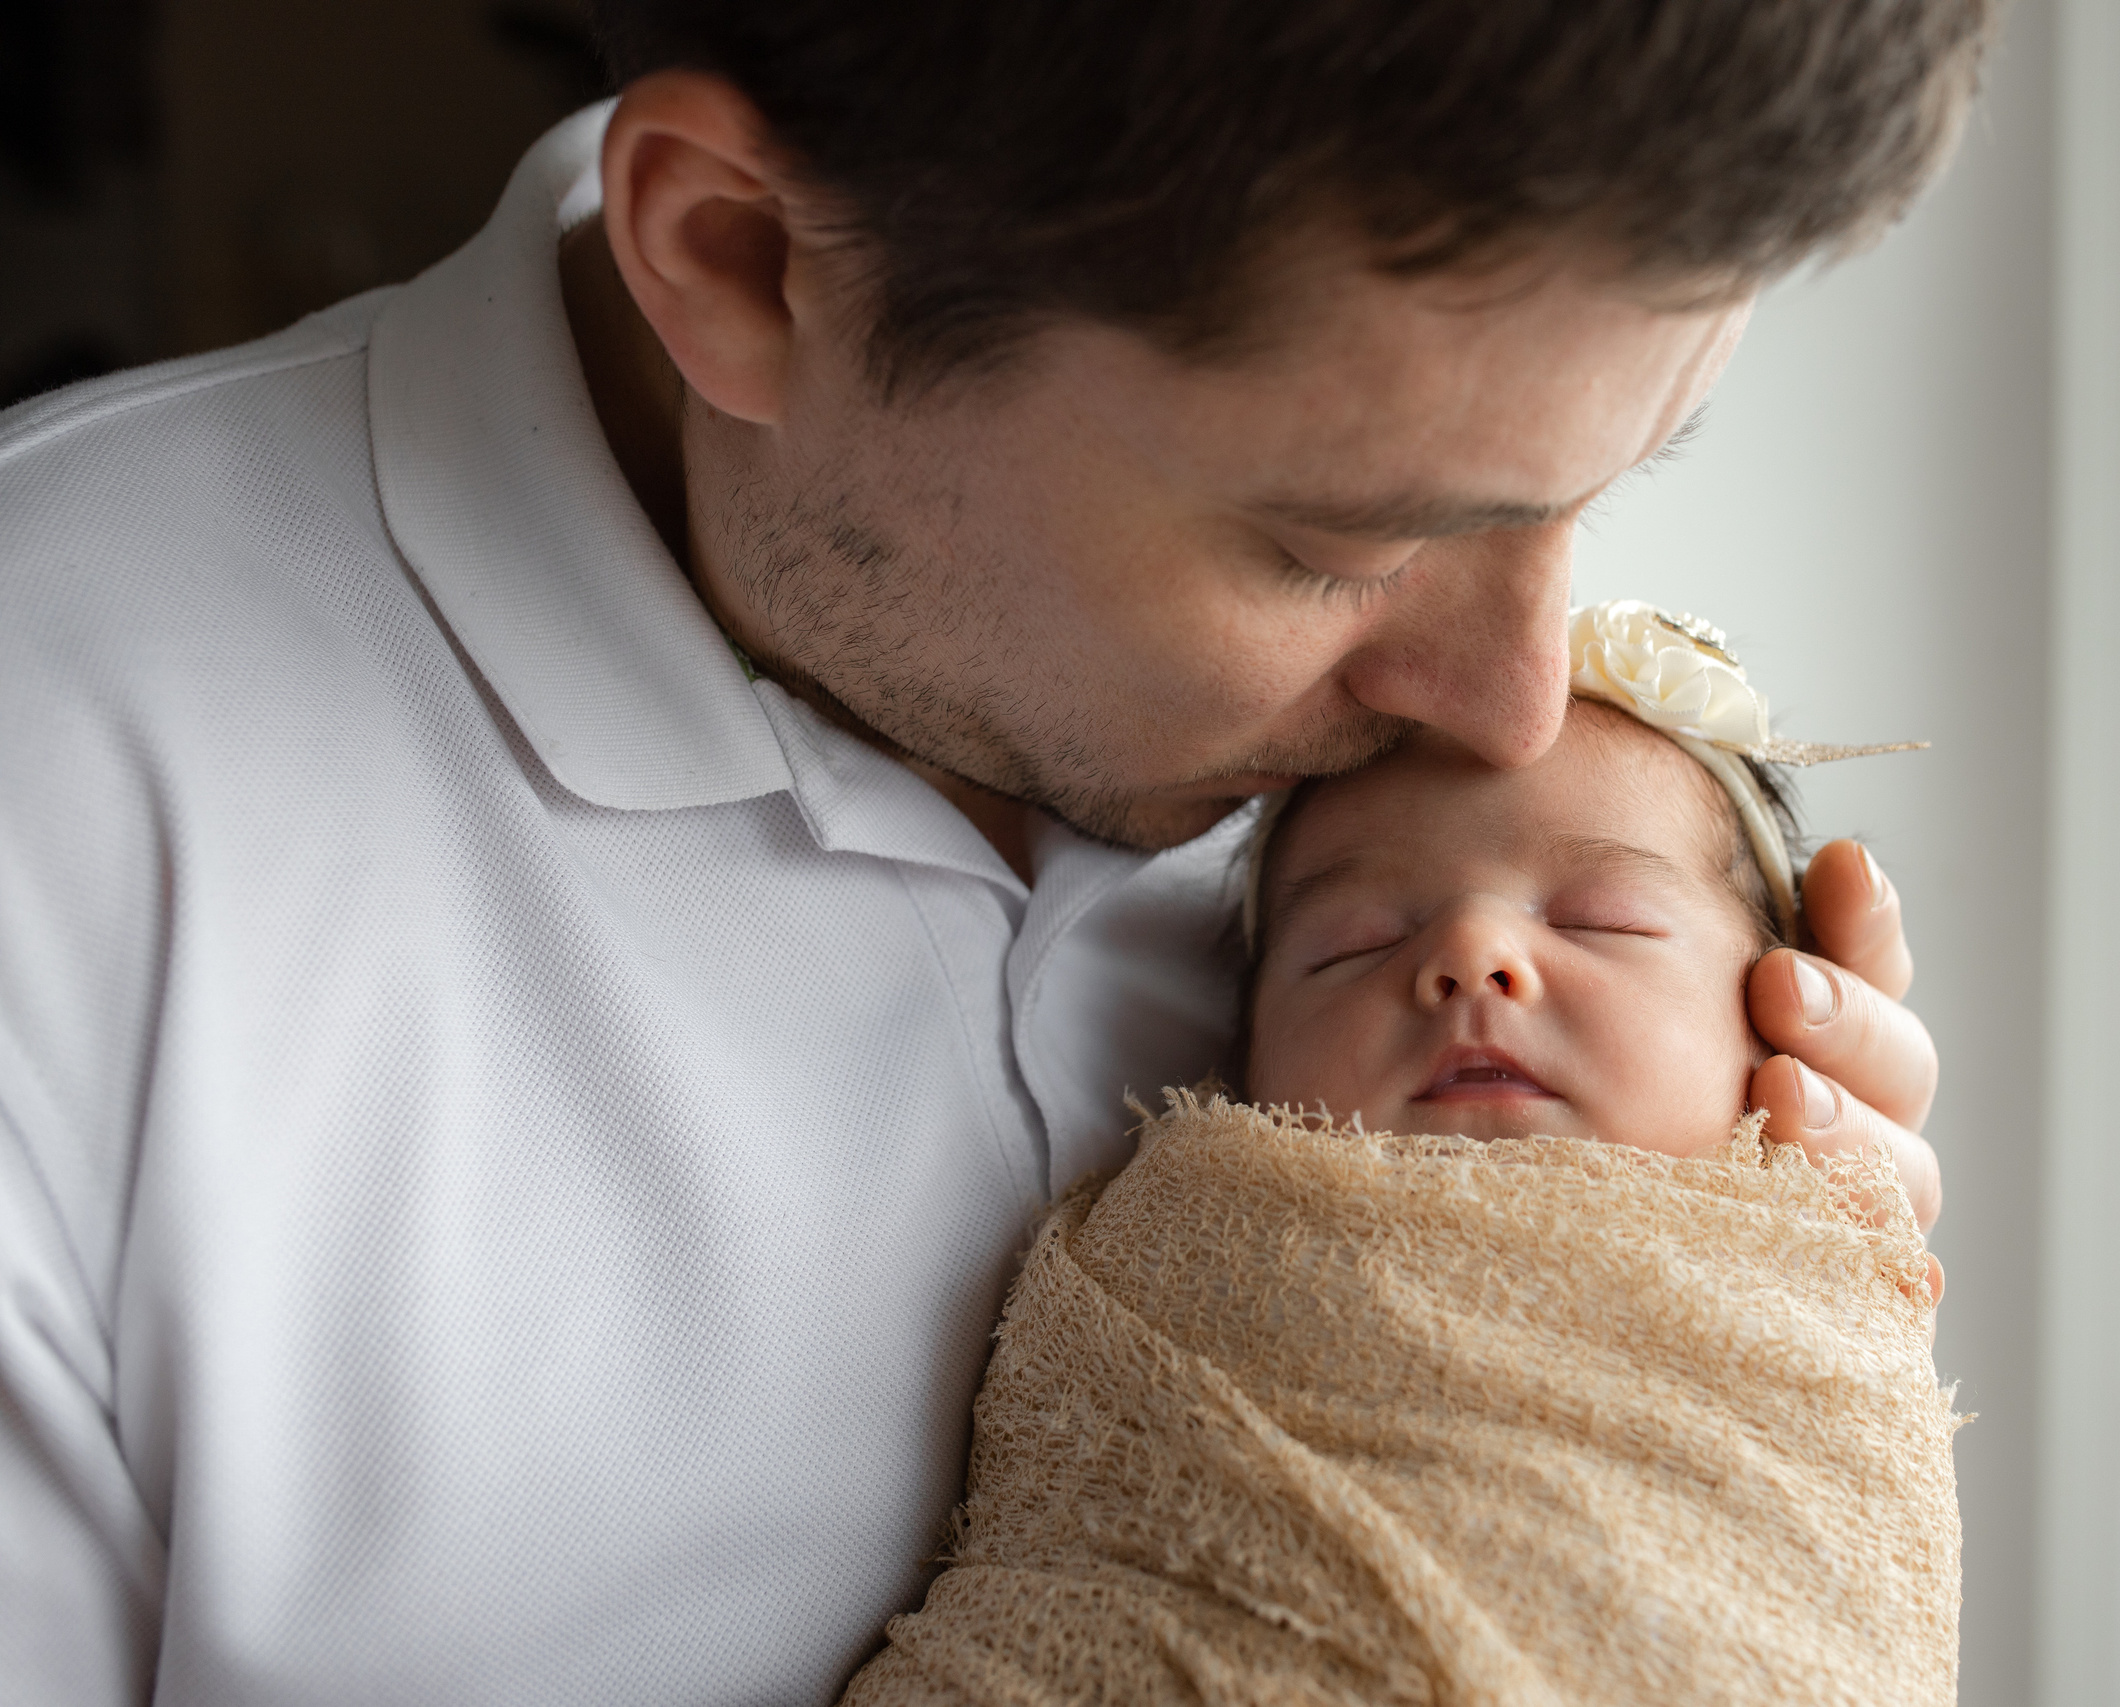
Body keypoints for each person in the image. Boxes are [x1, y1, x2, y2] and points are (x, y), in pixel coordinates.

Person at [0, 5, 1987, 1703]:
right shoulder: (67, 825)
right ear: (741, 259)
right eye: (1336, 549)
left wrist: (1713, 1335)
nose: (1512, 703)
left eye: (1595, 492)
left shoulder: (1396, 624)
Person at [845, 605, 1960, 1703]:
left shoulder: (1797, 1308)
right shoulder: (1175, 1236)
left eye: (1601, 919)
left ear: (1779, 1020)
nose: (1471, 950)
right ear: (1239, 1063)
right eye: (1354, 943)